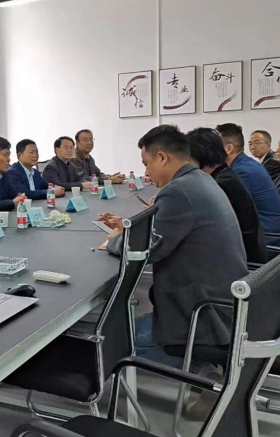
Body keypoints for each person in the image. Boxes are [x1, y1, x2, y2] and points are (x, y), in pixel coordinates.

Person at [99, 125, 248, 369]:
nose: (146, 172)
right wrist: (129, 230)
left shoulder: (178, 191)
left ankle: (197, 364)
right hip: (224, 303)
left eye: (146, 164)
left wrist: (115, 239)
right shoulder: (201, 180)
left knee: (109, 342)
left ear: (162, 157)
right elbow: (167, 231)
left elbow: (143, 252)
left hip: (203, 318)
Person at [187, 128, 267, 264]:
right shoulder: (226, 175)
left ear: (199, 156)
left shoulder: (221, 184)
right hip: (247, 253)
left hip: (242, 262)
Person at [216, 123, 280, 238]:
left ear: (228, 149)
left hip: (267, 239)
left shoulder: (241, 172)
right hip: (268, 233)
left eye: (214, 147)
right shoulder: (246, 164)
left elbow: (225, 212)